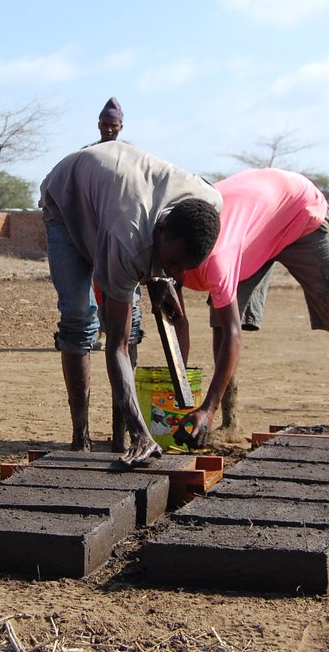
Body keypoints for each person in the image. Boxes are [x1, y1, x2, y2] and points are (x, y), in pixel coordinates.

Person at [169, 169, 329, 448]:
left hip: (300, 213)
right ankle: (230, 422)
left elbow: (235, 333)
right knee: (219, 320)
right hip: (255, 222)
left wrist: (205, 407)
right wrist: (177, 389)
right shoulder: (170, 244)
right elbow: (179, 322)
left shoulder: (218, 260)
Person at [40, 141, 222, 464]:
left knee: (132, 319)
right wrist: (144, 432)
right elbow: (117, 347)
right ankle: (81, 438)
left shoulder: (209, 203)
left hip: (114, 192)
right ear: (161, 230)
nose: (177, 274)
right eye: (172, 262)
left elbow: (170, 255)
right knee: (80, 318)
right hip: (67, 202)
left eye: (184, 269)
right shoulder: (128, 239)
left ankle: (118, 437)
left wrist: (163, 276)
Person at [89, 97, 143, 354]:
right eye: (104, 124)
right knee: (96, 289)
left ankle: (129, 337)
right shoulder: (88, 154)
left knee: (127, 288)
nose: (108, 129)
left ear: (121, 127)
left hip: (123, 235)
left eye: (113, 125)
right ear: (98, 124)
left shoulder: (130, 156)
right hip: (95, 234)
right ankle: (98, 332)